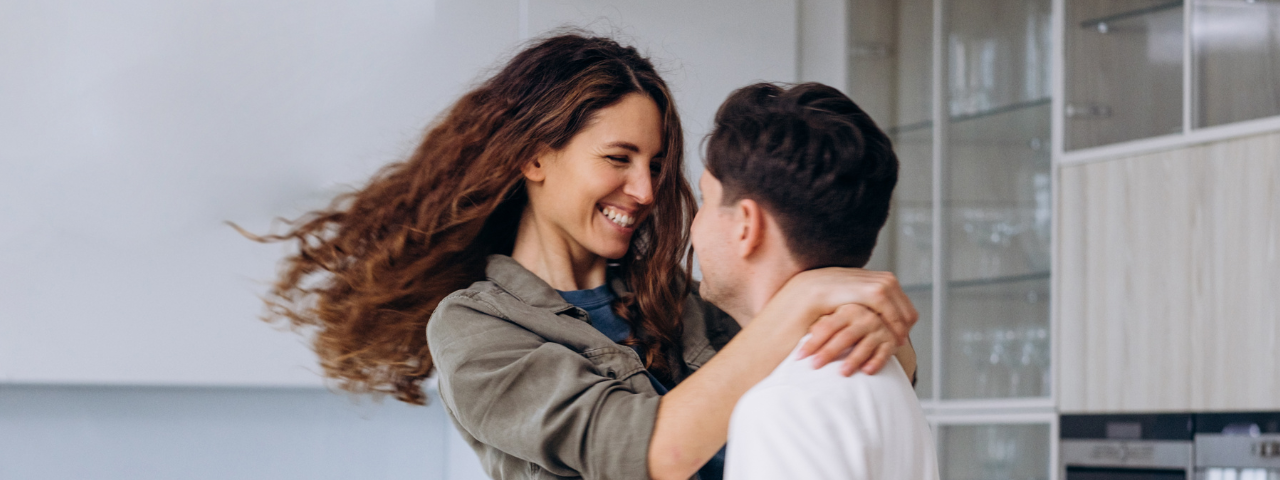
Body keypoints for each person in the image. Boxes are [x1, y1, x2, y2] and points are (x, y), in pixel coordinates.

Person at [249, 33, 919, 480]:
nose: (647, 189)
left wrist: (877, 334)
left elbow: (819, 377)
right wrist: (809, 299)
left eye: (656, 163)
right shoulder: (475, 330)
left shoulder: (674, 300)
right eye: (618, 159)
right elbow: (656, 448)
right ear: (534, 156)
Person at [690, 82, 938, 480]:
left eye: (705, 201)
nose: (693, 226)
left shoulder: (783, 404)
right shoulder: (886, 376)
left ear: (746, 226)